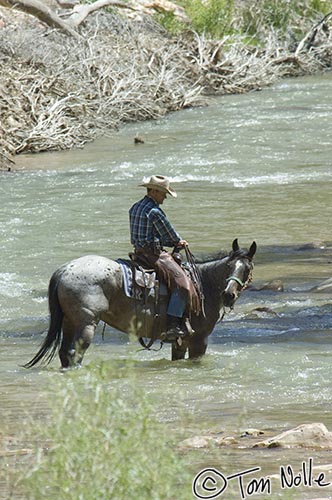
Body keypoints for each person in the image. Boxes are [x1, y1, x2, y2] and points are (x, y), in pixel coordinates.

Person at [129, 175, 199, 341]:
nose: (164, 197)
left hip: (139, 252)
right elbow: (170, 235)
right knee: (183, 284)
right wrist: (179, 242)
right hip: (153, 254)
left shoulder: (135, 207)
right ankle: (173, 325)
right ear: (153, 191)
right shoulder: (154, 211)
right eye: (162, 193)